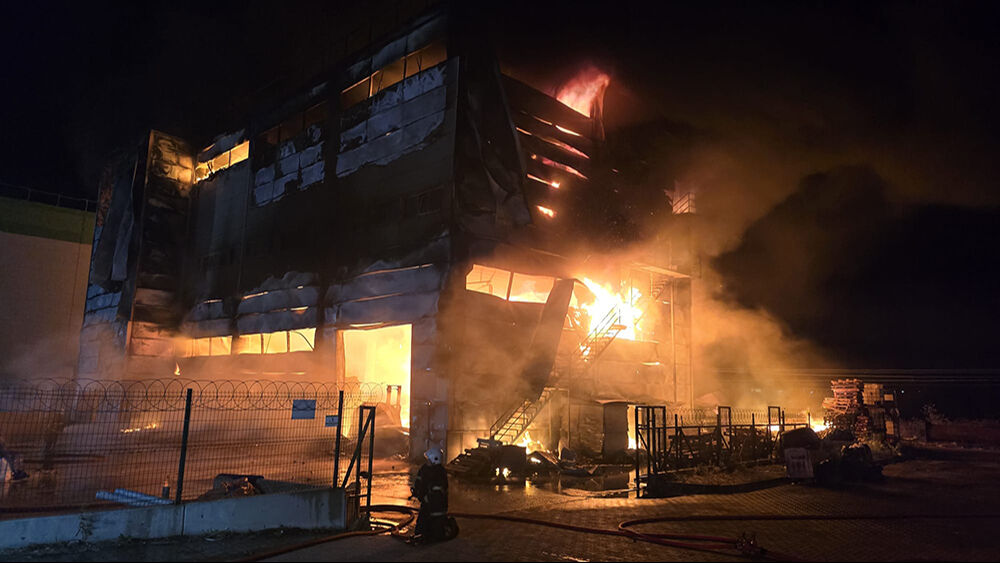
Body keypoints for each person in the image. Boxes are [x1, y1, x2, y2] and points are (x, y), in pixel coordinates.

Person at [410, 446, 449, 544]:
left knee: (433, 525)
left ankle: (429, 535)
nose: (426, 461)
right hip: (426, 501)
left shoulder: (439, 472)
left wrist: (427, 498)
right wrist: (416, 491)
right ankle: (422, 535)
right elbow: (419, 481)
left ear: (434, 460)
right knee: (422, 523)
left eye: (428, 459)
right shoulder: (425, 469)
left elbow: (437, 491)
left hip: (436, 504)